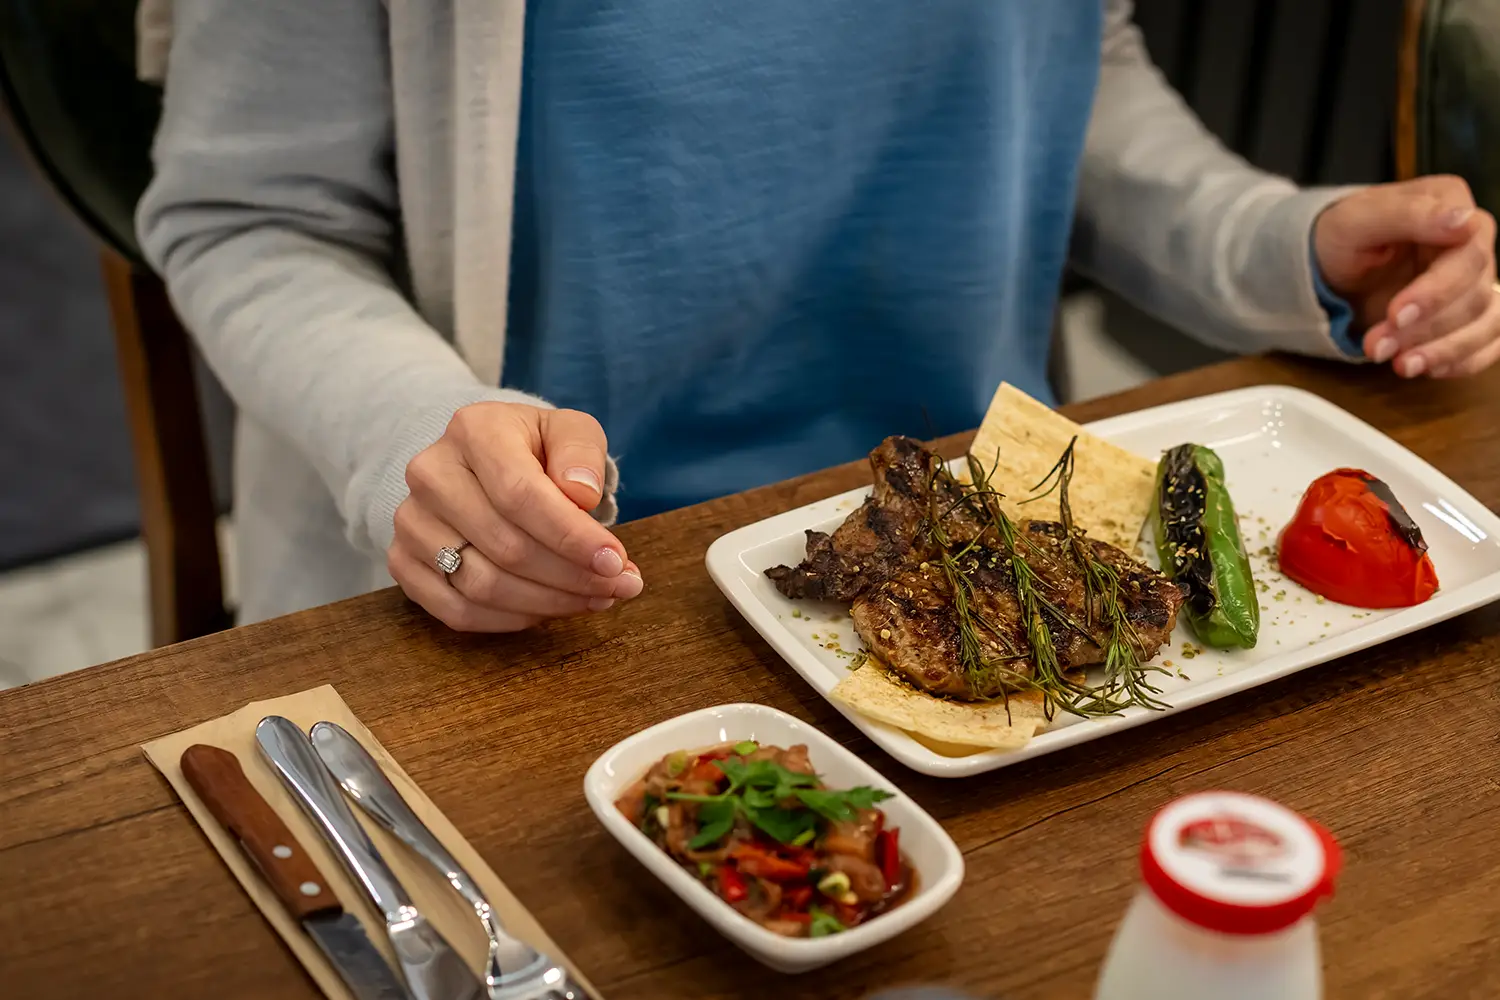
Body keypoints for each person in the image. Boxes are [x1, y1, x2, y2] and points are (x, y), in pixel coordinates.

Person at [136, 0, 1499, 631]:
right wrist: (413, 442)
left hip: (1003, 563)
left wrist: (1280, 243)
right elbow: (253, 217)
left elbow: (1067, 68)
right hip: (554, 600)